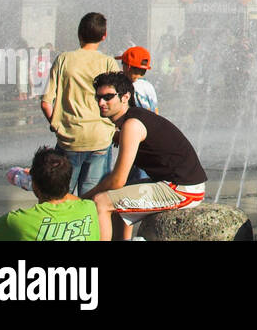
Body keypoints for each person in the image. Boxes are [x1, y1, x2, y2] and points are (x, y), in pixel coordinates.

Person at [85, 72, 207, 240]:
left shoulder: (132, 125)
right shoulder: (134, 118)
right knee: (116, 199)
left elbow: (117, 181)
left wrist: (84, 197)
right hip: (178, 184)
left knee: (101, 201)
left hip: (183, 190)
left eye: (108, 97)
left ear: (125, 97)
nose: (101, 102)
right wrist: (118, 136)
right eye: (98, 97)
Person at [40, 13, 118, 196]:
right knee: (93, 198)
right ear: (104, 36)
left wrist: (56, 125)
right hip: (100, 138)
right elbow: (119, 103)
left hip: (69, 138)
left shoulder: (63, 60)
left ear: (79, 34)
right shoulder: (108, 63)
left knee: (60, 197)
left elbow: (45, 103)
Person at [0, 147, 101, 241]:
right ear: (68, 179)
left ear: (34, 184)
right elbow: (73, 199)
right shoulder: (90, 209)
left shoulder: (18, 222)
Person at [117, 46, 157, 113]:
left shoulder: (132, 88)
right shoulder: (149, 86)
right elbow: (155, 111)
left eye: (123, 63)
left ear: (128, 67)